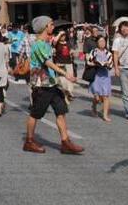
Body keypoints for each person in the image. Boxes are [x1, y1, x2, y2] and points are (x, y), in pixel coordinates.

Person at [23, 16, 83, 155]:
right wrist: (65, 73)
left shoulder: (46, 43)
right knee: (36, 114)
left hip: (52, 83)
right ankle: (29, 141)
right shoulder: (38, 44)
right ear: (44, 27)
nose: (53, 26)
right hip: (42, 84)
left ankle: (65, 142)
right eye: (50, 24)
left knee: (61, 111)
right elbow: (47, 62)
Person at [87, 36, 113, 122]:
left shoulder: (108, 53)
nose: (102, 43)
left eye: (103, 41)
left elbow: (110, 65)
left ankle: (105, 115)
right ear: (97, 43)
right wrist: (95, 63)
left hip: (105, 76)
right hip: (96, 75)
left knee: (105, 96)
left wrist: (107, 64)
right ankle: (94, 106)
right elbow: (88, 62)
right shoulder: (94, 52)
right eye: (100, 41)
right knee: (97, 97)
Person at [53, 31, 75, 101]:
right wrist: (59, 33)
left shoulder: (68, 43)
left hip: (68, 63)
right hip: (60, 63)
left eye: (64, 35)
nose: (63, 37)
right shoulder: (56, 44)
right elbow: (54, 42)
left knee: (70, 79)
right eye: (61, 36)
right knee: (62, 80)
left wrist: (72, 53)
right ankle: (65, 92)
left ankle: (69, 92)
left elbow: (71, 50)